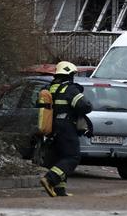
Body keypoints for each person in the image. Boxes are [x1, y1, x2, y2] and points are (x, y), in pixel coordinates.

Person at [39, 61, 93, 197]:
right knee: (72, 157)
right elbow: (85, 106)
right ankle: (50, 178)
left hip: (52, 128)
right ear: (69, 75)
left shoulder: (49, 88)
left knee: (60, 157)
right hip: (66, 127)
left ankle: (59, 189)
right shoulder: (69, 89)